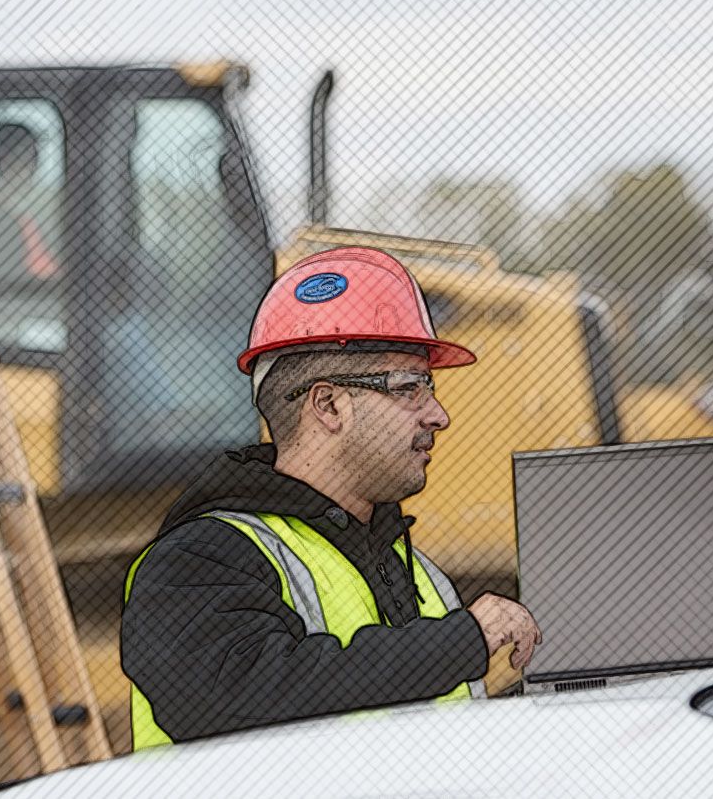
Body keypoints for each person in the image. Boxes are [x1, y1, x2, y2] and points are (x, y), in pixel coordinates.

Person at [120, 246, 542, 748]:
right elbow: (235, 698)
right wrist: (456, 644)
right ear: (328, 405)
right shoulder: (197, 560)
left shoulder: (419, 573)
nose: (438, 415)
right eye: (409, 387)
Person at [0, 122, 60, 281]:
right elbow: (6, 273)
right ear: (5, 158)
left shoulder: (23, 207)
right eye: (31, 154)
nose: (35, 164)